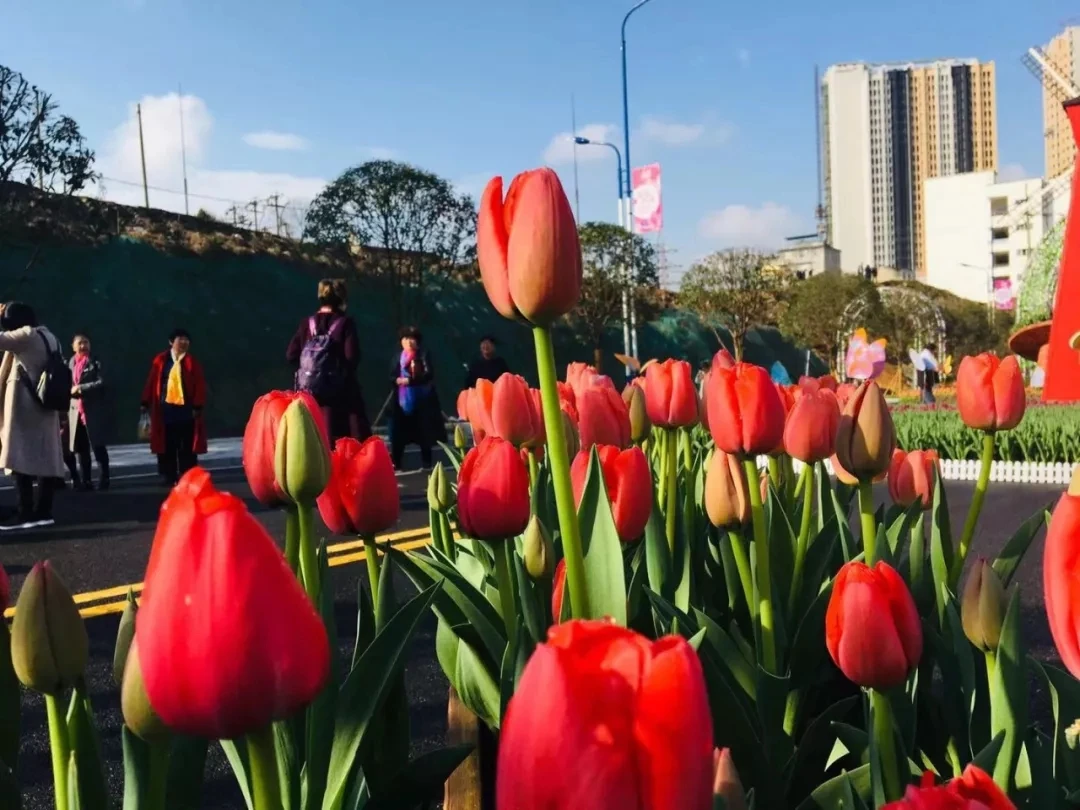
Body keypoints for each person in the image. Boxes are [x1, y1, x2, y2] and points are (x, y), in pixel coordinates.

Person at [0, 302, 66, 529]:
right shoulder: (50, 337)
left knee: (19, 458)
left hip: (23, 405)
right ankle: (44, 512)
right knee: (46, 458)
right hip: (45, 407)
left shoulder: (26, 335)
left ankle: (25, 513)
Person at [286, 278, 370, 442]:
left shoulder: (307, 324)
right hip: (340, 397)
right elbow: (351, 357)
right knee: (344, 443)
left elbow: (291, 355)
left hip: (309, 395)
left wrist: (310, 370)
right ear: (342, 299)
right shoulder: (345, 323)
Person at [140, 328, 207, 486]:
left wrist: (198, 406)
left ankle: (187, 475)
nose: (184, 343)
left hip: (186, 410)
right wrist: (145, 401)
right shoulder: (161, 361)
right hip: (165, 409)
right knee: (167, 444)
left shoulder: (192, 362)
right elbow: (152, 382)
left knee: (186, 445)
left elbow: (199, 385)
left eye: (186, 340)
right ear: (171, 342)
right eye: (180, 339)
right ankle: (168, 474)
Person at [389, 326, 444, 471]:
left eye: (411, 339)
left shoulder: (423, 355)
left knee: (424, 433)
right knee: (398, 435)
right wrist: (396, 380)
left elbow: (428, 374)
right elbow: (391, 375)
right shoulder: (397, 357)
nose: (408, 342)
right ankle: (396, 463)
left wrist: (411, 381)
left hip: (421, 400)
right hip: (401, 400)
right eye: (405, 339)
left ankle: (427, 463)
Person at [65, 333, 111, 490]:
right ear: (73, 346)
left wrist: (81, 388)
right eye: (79, 343)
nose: (83, 346)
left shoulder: (95, 362)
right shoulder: (69, 363)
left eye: (86, 342)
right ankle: (86, 480)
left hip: (92, 410)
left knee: (98, 446)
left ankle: (104, 479)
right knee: (80, 448)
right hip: (74, 411)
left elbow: (102, 382)